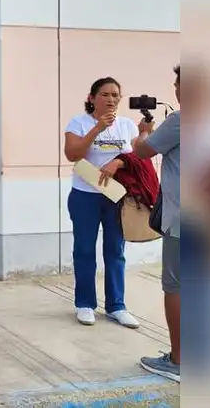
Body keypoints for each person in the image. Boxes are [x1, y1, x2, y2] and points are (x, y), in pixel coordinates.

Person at [62, 77, 140, 329]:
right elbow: (72, 154)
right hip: (85, 195)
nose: (110, 99)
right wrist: (97, 129)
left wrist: (119, 161)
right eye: (104, 94)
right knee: (84, 249)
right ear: (92, 98)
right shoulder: (79, 122)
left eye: (115, 95)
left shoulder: (127, 125)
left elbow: (138, 158)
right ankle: (85, 303)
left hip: (117, 196)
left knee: (115, 251)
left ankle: (117, 305)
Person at [132, 65, 181, 382]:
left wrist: (144, 131)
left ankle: (179, 361)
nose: (176, 87)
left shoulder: (180, 121)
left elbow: (142, 151)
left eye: (179, 82)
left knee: (176, 288)